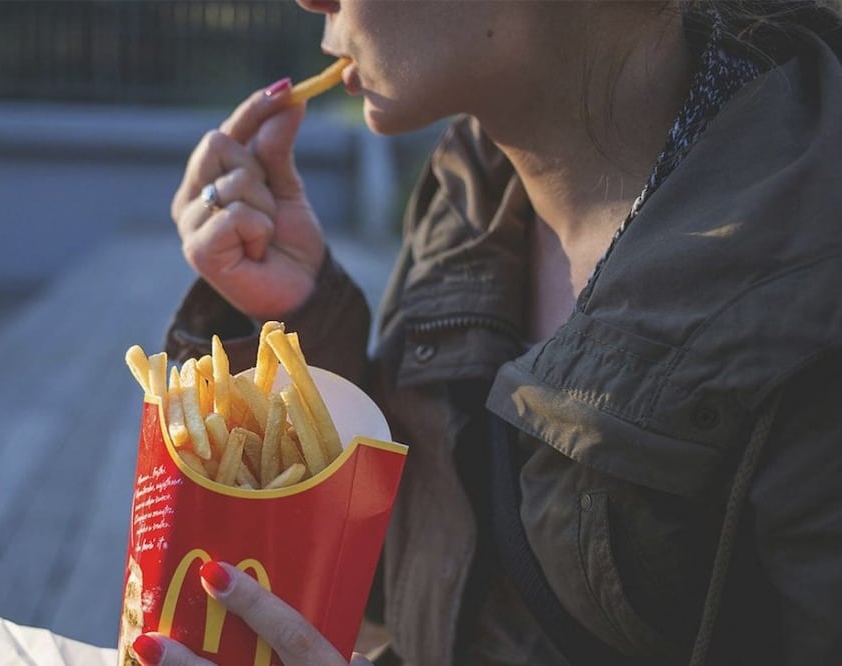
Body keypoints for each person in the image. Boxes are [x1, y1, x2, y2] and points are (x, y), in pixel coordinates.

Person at [133, 1, 842, 664]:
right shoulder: (468, 193)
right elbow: (429, 597)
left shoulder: (811, 273)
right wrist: (304, 317)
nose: (308, 0)